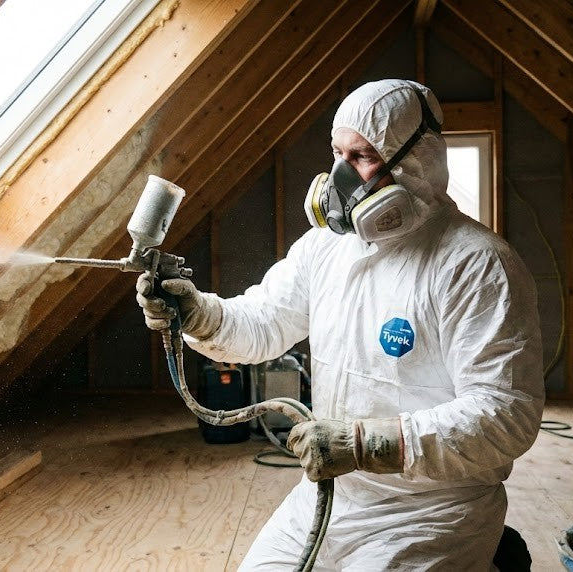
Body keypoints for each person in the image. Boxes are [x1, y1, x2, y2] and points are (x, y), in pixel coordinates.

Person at [136, 79, 544, 570]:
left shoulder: (474, 265)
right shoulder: (324, 248)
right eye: (337, 153)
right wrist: (197, 314)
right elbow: (263, 322)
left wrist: (366, 442)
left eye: (362, 156)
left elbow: (505, 415)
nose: (339, 177)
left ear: (416, 163)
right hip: (333, 496)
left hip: (433, 510)